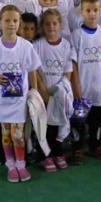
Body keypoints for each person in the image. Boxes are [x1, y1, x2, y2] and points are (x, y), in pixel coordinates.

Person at [0, 5, 42, 182]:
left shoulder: (26, 46)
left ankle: (21, 164)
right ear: (0, 23)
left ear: (19, 24)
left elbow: (32, 70)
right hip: (2, 99)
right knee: (6, 134)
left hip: (20, 99)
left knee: (18, 135)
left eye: (15, 20)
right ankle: (10, 164)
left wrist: (34, 91)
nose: (11, 24)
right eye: (7, 20)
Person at [70, 0, 101, 162]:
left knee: (97, 120)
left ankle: (96, 146)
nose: (92, 14)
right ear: (81, 12)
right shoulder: (76, 35)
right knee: (78, 121)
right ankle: (77, 148)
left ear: (100, 12)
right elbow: (73, 64)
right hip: (82, 88)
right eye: (88, 10)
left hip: (99, 88)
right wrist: (76, 88)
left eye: (95, 10)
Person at [34, 9, 75, 172]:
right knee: (45, 126)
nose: (51, 27)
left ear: (60, 25)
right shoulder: (37, 45)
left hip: (59, 94)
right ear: (42, 26)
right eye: (47, 24)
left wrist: (61, 91)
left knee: (59, 125)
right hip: (44, 93)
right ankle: (45, 156)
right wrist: (43, 90)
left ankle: (58, 153)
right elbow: (35, 70)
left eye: (54, 23)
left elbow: (68, 72)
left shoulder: (66, 45)